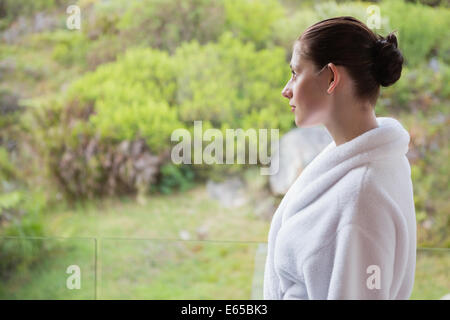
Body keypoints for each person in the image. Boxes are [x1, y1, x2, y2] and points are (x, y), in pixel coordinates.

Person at [263, 16, 416, 299]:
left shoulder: (361, 195)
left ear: (332, 78)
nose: (286, 90)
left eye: (296, 73)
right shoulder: (368, 160)